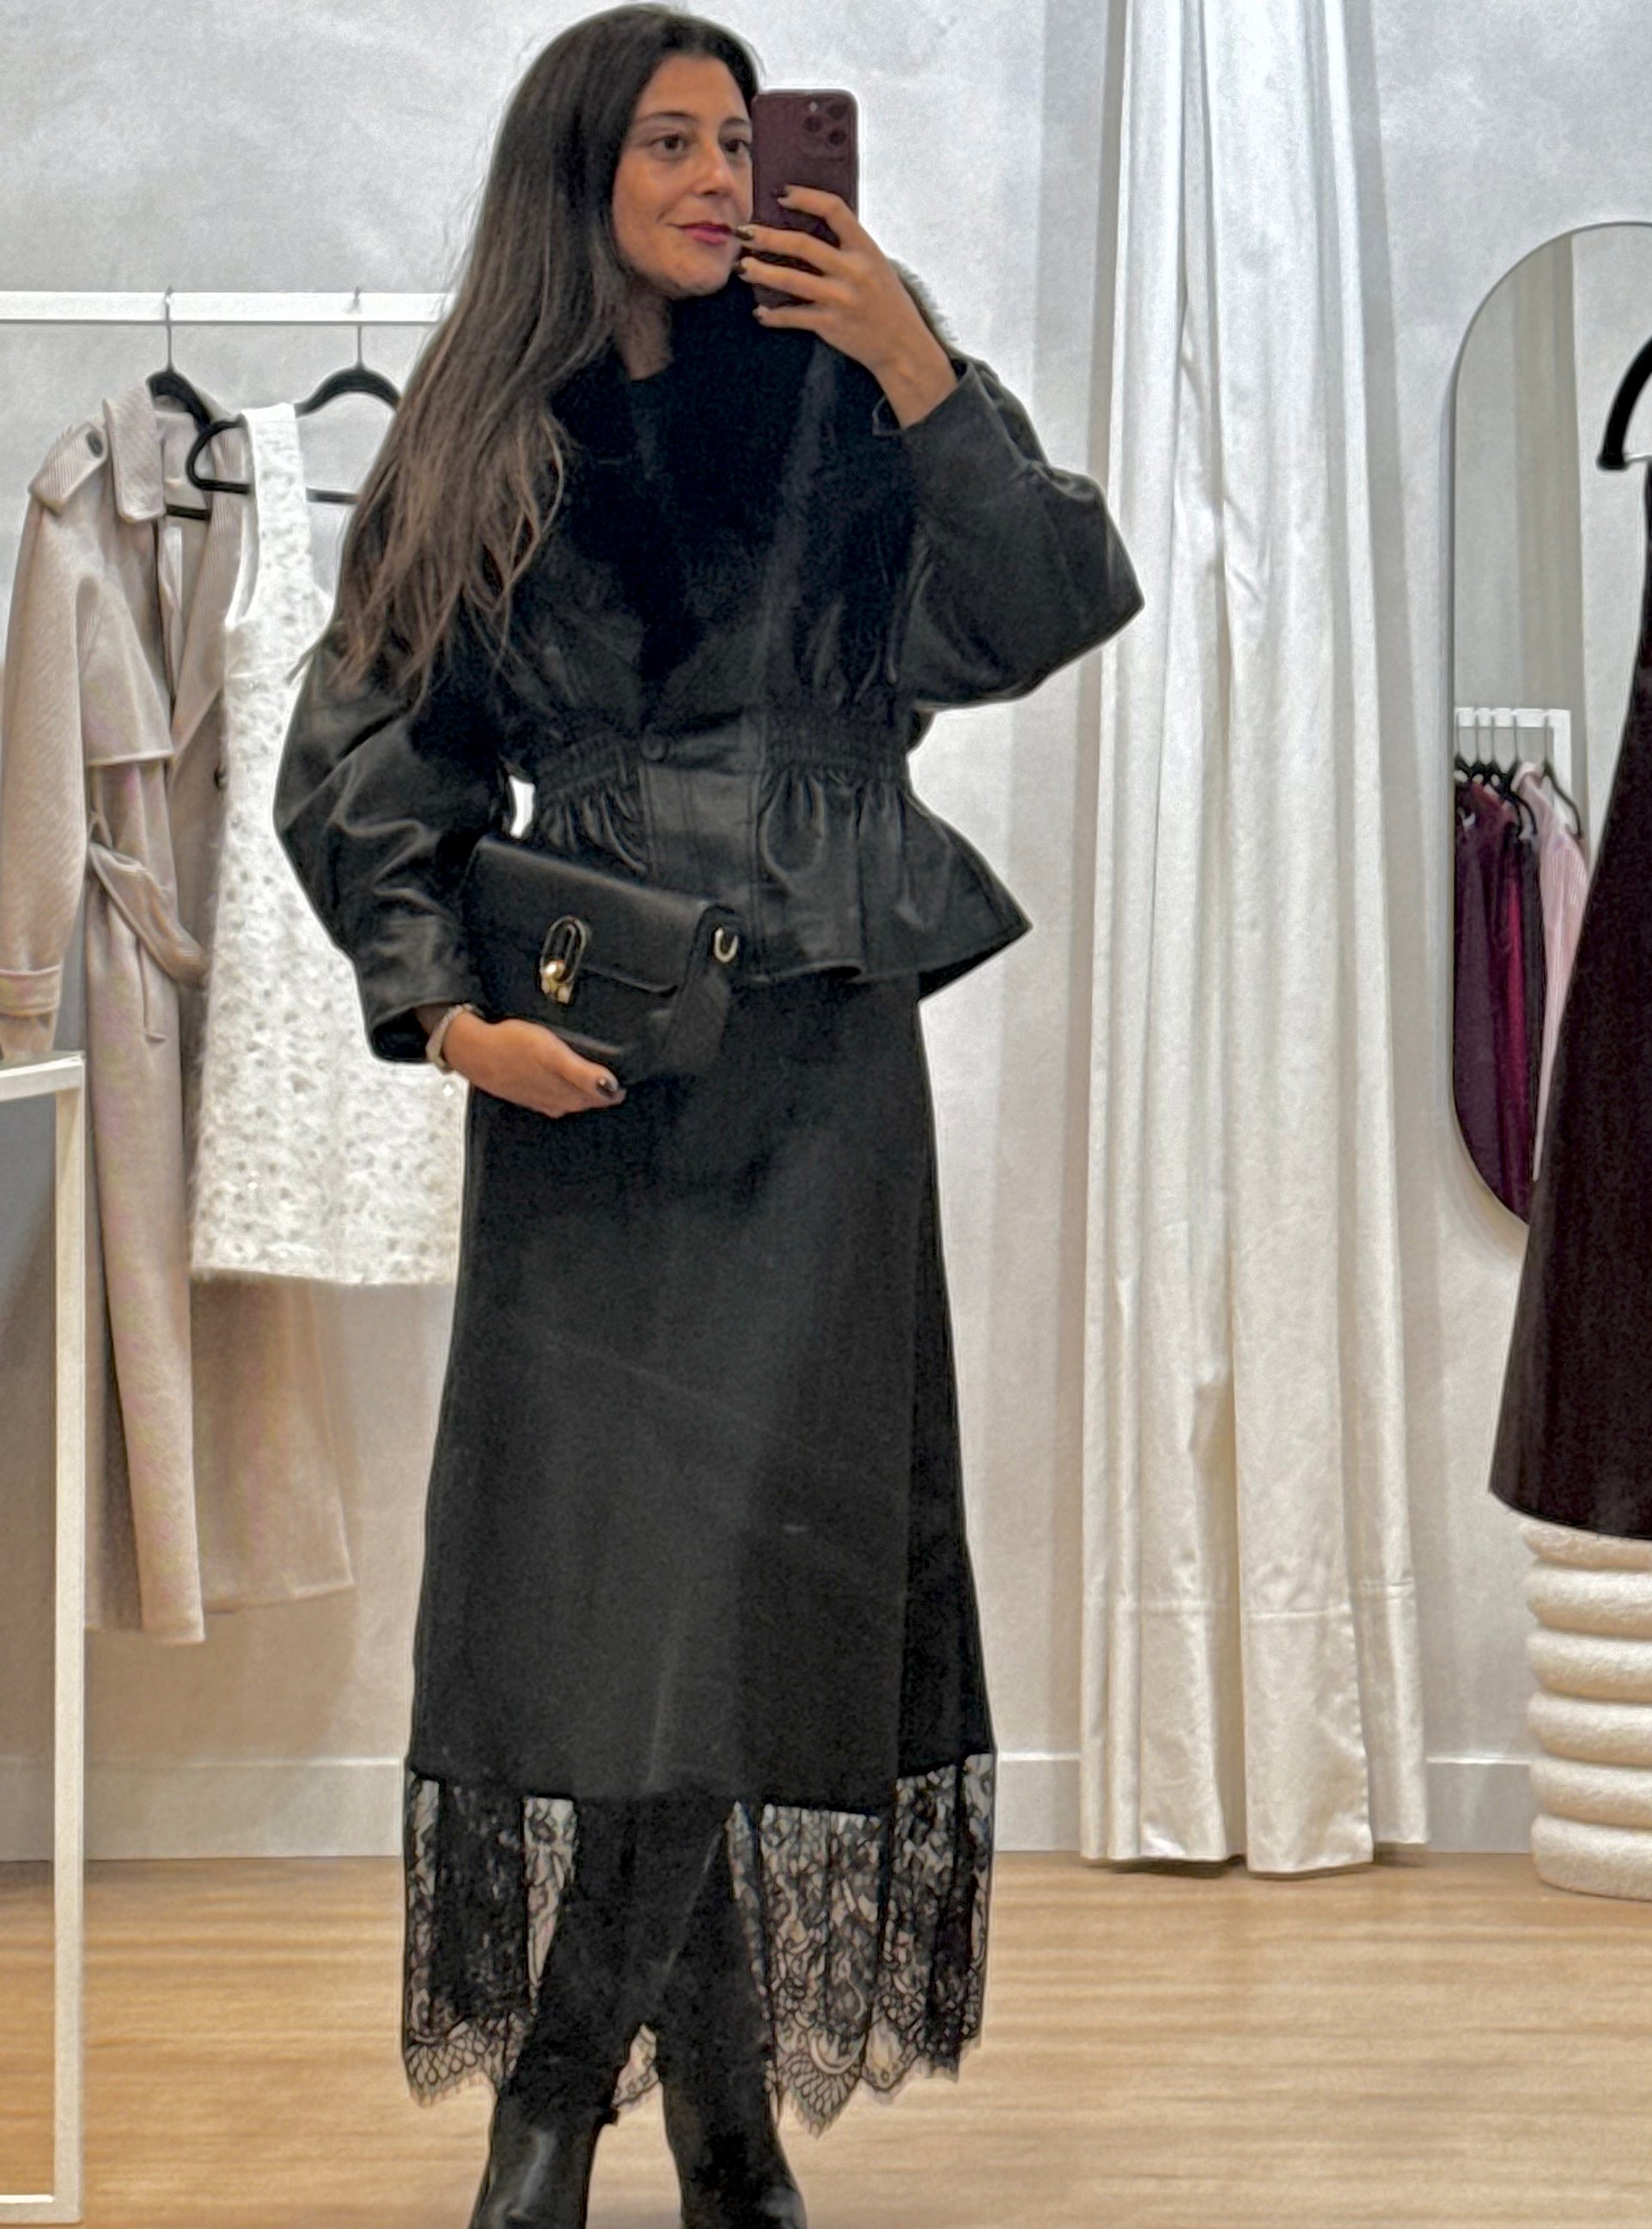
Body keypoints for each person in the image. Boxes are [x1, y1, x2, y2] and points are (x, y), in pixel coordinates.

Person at [275, 9, 1142, 2226]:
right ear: (578, 174)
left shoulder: (854, 390)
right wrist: (444, 1019)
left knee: (740, 1578)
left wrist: (919, 365)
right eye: (667, 140)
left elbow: (1046, 602)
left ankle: (557, 2107)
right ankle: (730, 2139)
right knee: (640, 1600)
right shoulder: (488, 434)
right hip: (591, 1070)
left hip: (821, 1067)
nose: (716, 176)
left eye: (738, 141)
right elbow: (357, 751)